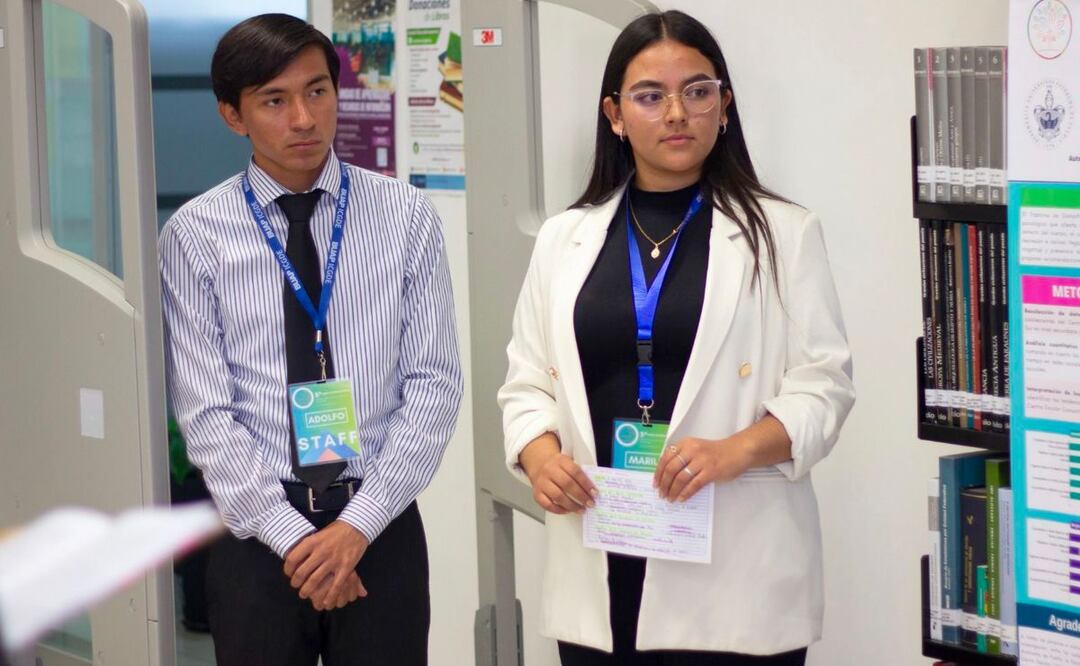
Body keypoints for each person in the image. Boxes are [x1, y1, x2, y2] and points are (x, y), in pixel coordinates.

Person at [498, 10, 855, 666]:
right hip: (602, 553)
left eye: (696, 91)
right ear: (614, 114)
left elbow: (825, 385)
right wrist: (541, 458)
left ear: (724, 107)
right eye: (649, 96)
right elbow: (525, 381)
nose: (675, 113)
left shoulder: (785, 234)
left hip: (733, 569)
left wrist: (737, 450)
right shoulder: (564, 239)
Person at [159, 13, 462, 665]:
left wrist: (357, 526)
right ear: (232, 116)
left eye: (317, 91)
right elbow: (205, 411)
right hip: (256, 540)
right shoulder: (195, 235)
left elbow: (435, 384)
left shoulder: (406, 215)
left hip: (379, 523)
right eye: (274, 100)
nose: (303, 118)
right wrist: (295, 539)